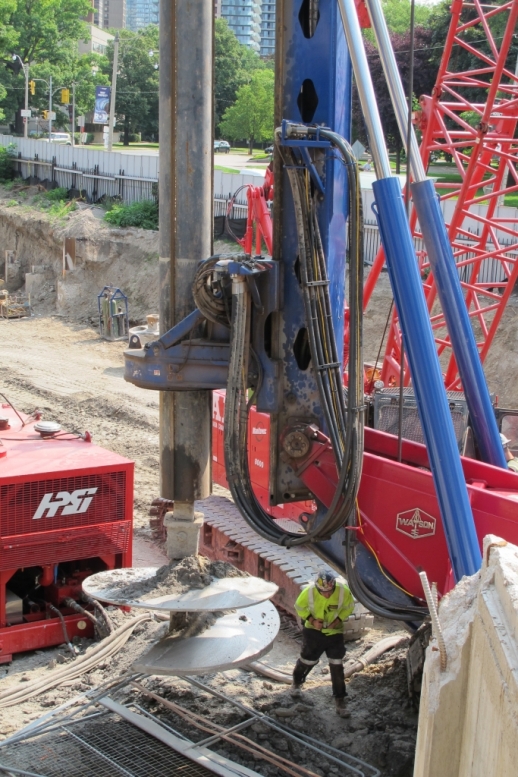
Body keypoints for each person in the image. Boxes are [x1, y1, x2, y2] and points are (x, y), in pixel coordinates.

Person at [291, 570, 355, 718]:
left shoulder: (342, 592)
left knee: (337, 665)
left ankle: (340, 700)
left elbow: (349, 606)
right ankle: (297, 682)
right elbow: (299, 607)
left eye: (329, 591)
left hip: (334, 633)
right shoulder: (309, 592)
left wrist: (338, 620)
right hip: (313, 632)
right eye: (323, 592)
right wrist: (312, 620)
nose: (327, 595)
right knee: (307, 660)